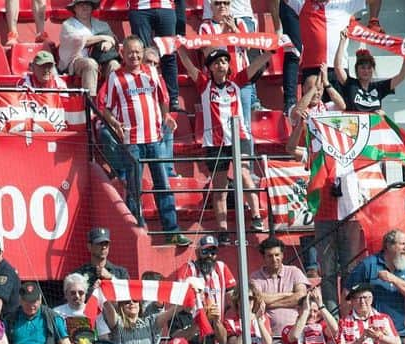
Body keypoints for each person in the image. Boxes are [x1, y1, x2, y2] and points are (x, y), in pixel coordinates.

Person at [99, 36, 190, 246]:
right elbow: (105, 106)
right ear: (123, 53)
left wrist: (166, 116)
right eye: (130, 52)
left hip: (154, 139)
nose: (135, 56)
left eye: (138, 52)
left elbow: (163, 98)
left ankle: (172, 231)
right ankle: (136, 230)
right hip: (132, 141)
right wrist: (114, 123)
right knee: (134, 189)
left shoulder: (151, 73)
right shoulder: (115, 77)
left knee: (163, 186)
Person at [174, 47, 266, 241]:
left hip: (238, 137)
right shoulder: (204, 84)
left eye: (224, 61)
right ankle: (222, 230)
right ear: (210, 68)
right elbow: (189, 66)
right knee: (220, 187)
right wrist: (179, 48)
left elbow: (255, 66)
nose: (221, 65)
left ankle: (256, 216)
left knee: (243, 174)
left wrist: (271, 53)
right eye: (216, 63)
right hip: (214, 143)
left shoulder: (237, 82)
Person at [344, 229, 405, 337]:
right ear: (388, 245)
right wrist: (347, 326)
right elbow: (347, 293)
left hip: (398, 333)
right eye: (402, 244)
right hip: (371, 333)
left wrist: (393, 279)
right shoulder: (368, 265)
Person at [332, 30, 405, 113]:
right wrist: (342, 41)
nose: (366, 71)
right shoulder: (351, 84)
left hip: (374, 125)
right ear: (356, 70)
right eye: (363, 67)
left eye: (369, 68)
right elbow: (338, 67)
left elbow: (402, 76)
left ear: (373, 70)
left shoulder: (379, 87)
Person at [249, 236, 310, 337]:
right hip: (267, 337)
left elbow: (301, 297)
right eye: (269, 256)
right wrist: (288, 295)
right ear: (263, 257)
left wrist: (269, 304)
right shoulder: (255, 277)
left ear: (282, 255)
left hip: (295, 335)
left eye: (277, 255)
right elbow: (257, 300)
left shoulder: (294, 271)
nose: (274, 259)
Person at [58, 0, 118, 97]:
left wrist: (109, 42)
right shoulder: (68, 25)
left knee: (114, 64)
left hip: (102, 59)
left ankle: (113, 100)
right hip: (77, 60)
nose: (84, 7)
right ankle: (90, 104)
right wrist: (103, 37)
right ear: (74, 8)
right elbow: (77, 41)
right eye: (81, 5)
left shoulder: (102, 24)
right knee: (90, 64)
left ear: (92, 7)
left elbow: (112, 39)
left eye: (87, 4)